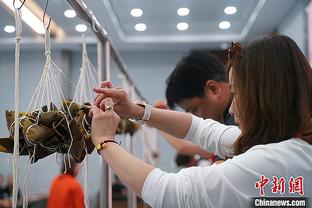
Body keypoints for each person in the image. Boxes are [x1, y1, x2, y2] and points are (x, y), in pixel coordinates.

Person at [90, 35, 312, 207]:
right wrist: (137, 111)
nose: (233, 109)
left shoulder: (277, 162)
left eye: (236, 93)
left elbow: (172, 193)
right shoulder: (291, 144)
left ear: (265, 95)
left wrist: (104, 141)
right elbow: (203, 130)